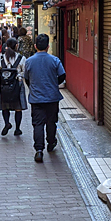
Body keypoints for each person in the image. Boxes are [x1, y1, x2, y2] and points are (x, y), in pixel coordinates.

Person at [24, 34, 66, 163]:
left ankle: (38, 150)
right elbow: (62, 76)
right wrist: (53, 84)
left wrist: (34, 87)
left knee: (38, 124)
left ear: (35, 46)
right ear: (48, 46)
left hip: (36, 99)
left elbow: (27, 78)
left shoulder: (29, 61)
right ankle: (51, 143)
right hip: (52, 97)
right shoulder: (55, 60)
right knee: (51, 121)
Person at [0, 38, 27, 136]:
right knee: (18, 108)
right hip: (17, 84)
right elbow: (25, 72)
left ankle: (7, 123)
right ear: (16, 46)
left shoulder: (1, 58)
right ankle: (17, 129)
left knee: (5, 106)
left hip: (4, 86)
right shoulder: (21, 58)